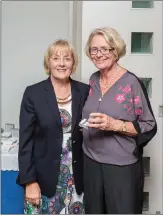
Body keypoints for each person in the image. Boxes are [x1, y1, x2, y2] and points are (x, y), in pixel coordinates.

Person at [82, 27, 157, 214]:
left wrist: (113, 124)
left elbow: (149, 125)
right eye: (94, 49)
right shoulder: (93, 79)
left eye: (105, 49)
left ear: (116, 51)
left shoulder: (131, 82)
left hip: (121, 167)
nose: (98, 54)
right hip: (91, 161)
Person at [16, 39, 89, 214]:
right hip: (42, 181)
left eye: (67, 58)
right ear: (48, 62)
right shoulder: (33, 93)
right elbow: (25, 142)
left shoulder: (85, 91)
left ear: (74, 63)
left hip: (78, 180)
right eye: (56, 58)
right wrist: (30, 182)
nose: (62, 64)